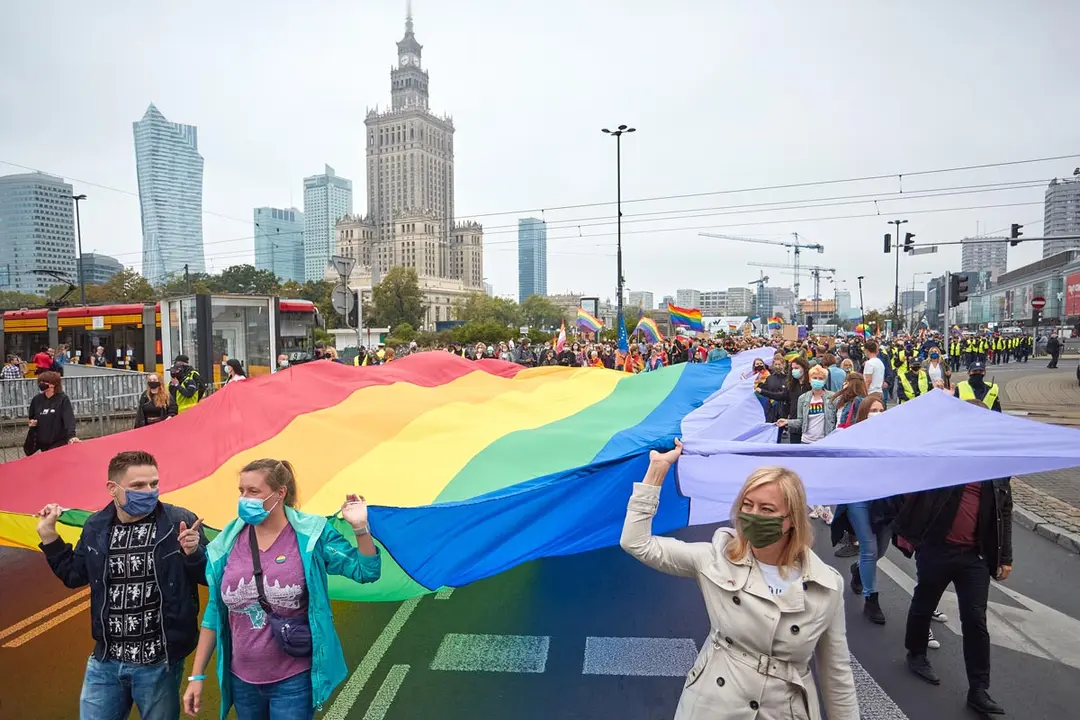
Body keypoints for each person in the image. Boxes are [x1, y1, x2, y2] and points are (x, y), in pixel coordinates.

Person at [620, 442, 858, 720]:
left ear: (792, 519)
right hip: (715, 705)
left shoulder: (827, 585)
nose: (753, 515)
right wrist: (658, 471)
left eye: (767, 509)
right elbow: (636, 542)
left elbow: (837, 675)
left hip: (783, 712)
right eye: (747, 504)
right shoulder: (714, 559)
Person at [182, 459, 381, 720]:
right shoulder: (228, 541)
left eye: (254, 491)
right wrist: (196, 676)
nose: (244, 499)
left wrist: (360, 527)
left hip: (293, 679)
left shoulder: (312, 535)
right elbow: (214, 611)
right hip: (242, 681)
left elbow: (365, 571)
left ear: (280, 493)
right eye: (241, 491)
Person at [37, 450, 207, 720]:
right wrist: (49, 536)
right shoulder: (96, 526)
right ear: (112, 489)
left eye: (153, 484)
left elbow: (210, 576)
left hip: (159, 663)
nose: (148, 492)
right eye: (138, 486)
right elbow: (74, 576)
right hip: (106, 661)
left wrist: (195, 553)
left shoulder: (178, 522)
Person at [894, 408, 1014, 716]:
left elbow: (1005, 511)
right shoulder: (943, 458)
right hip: (937, 548)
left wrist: (1005, 556)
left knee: (976, 620)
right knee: (924, 603)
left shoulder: (997, 469)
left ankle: (979, 688)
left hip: (975, 555)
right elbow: (911, 483)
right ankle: (916, 654)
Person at [25, 370, 78, 454]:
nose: (41, 384)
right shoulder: (37, 399)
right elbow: (32, 416)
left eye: (45, 382)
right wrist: (33, 423)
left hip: (58, 441)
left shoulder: (62, 399)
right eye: (40, 382)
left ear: (53, 384)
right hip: (42, 441)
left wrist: (72, 436)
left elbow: (69, 419)